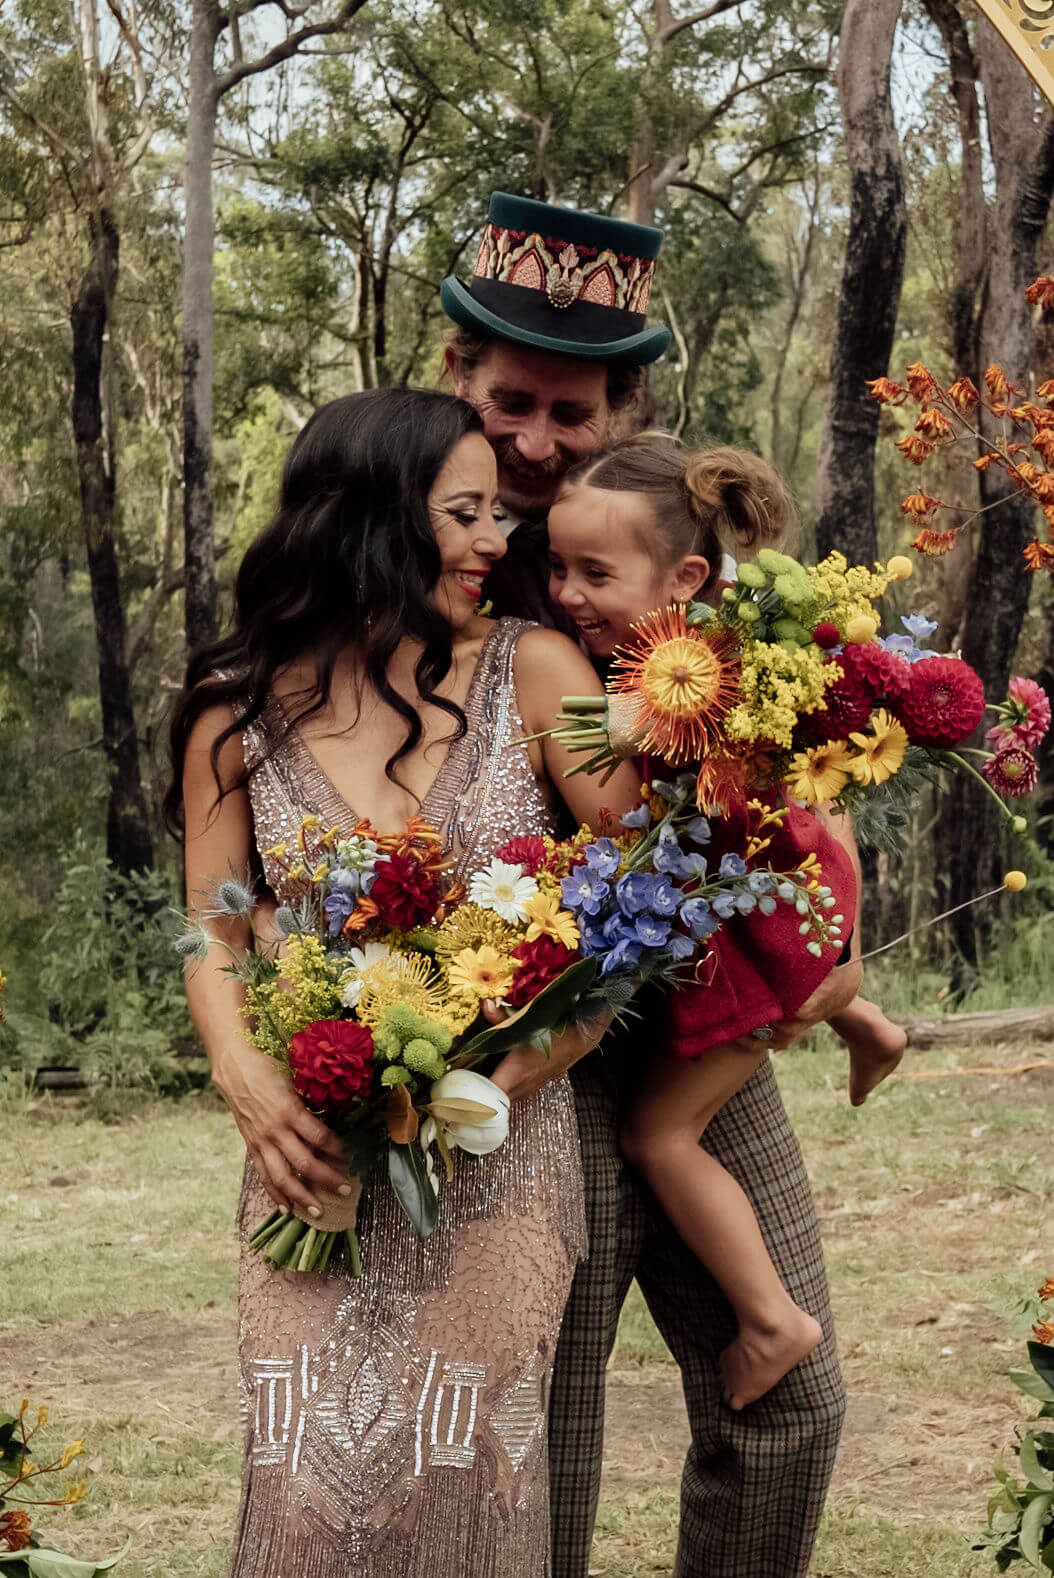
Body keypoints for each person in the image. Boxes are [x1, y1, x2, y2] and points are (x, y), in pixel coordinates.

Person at [440, 191, 864, 1578]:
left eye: (574, 414)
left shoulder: (663, 557)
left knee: (789, 1393)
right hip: (516, 1032)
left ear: (621, 411)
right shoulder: (409, 525)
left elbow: (781, 739)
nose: (536, 439)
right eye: (514, 401)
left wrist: (801, 918)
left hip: (681, 1003)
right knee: (540, 1431)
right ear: (459, 374)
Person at [165, 388, 641, 1577]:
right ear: (372, 518)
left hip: (498, 1160)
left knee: (465, 1493)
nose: (500, 538)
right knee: (303, 1498)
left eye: (497, 513)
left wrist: (515, 1074)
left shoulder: (535, 671)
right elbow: (209, 927)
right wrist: (243, 1078)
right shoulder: (232, 715)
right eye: (465, 512)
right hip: (309, 1159)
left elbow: (632, 901)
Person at [546, 431, 907, 1410]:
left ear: (684, 576)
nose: (568, 593)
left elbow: (631, 801)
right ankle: (871, 1026)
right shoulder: (713, 644)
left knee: (659, 1137)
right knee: (805, 986)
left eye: (593, 572)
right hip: (788, 908)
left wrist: (592, 723)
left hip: (766, 938)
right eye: (556, 568)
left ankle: (768, 1319)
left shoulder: (683, 673)